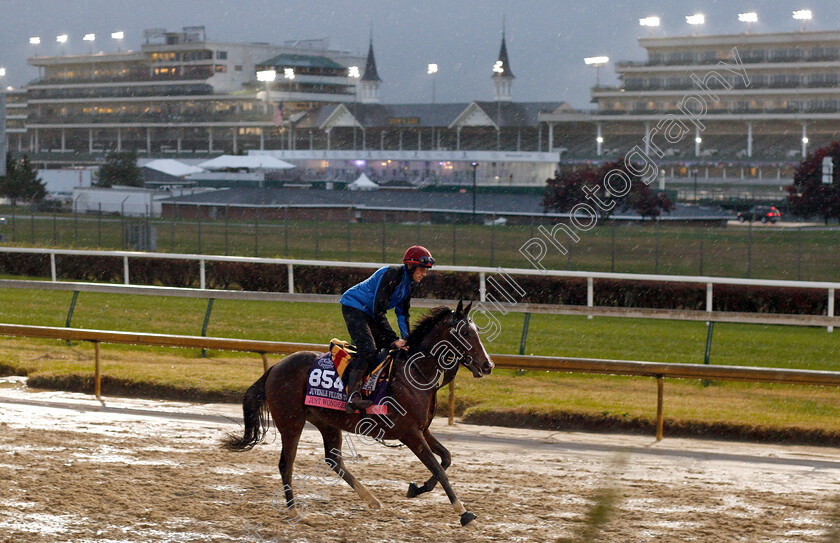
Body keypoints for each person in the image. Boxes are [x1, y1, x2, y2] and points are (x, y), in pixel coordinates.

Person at [339, 245, 435, 413]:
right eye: (422, 270)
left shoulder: (409, 284)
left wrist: (407, 340)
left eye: (426, 270)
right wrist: (393, 339)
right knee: (368, 350)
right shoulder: (392, 274)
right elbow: (378, 310)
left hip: (370, 312)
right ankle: (352, 397)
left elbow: (403, 314)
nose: (424, 274)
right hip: (354, 307)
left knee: (390, 349)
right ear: (410, 266)